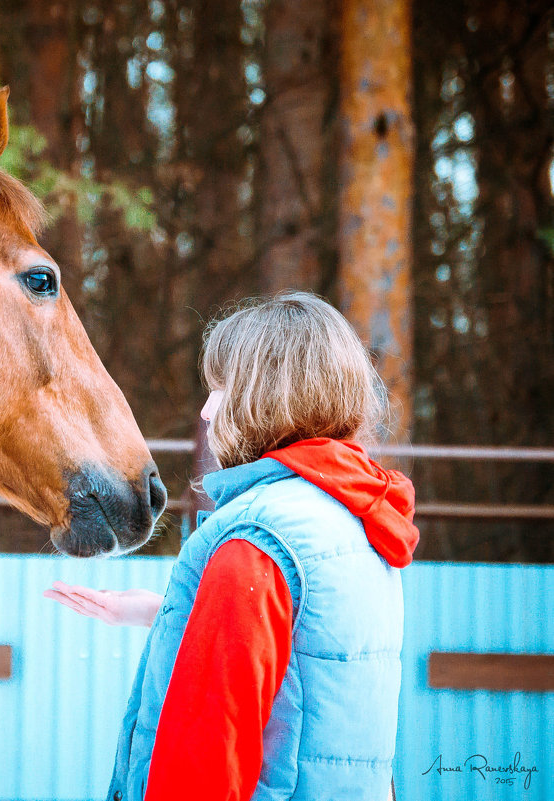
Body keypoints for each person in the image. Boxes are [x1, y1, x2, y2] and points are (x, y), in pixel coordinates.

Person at [45, 292, 418, 801]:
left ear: (262, 396)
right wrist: (170, 612)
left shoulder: (258, 537)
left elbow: (203, 761)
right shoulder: (356, 520)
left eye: (219, 388)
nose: (206, 409)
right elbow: (311, 660)